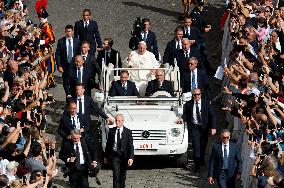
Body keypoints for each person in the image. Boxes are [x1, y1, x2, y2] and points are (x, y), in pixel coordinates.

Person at [177, 88, 216, 173]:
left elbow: (212, 115)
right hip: (195, 128)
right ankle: (197, 166)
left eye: (198, 94)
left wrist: (213, 127)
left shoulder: (206, 103)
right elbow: (186, 114)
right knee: (196, 147)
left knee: (203, 145)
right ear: (193, 96)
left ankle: (201, 159)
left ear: (201, 94)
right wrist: (182, 119)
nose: (197, 96)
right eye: (195, 95)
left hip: (204, 128)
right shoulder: (188, 104)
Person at [104, 114, 134, 188]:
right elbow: (108, 145)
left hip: (124, 156)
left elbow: (130, 146)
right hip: (115, 156)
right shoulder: (111, 131)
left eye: (119, 121)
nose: (117, 122)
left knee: (122, 176)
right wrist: (105, 156)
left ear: (123, 121)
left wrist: (131, 158)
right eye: (116, 120)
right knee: (116, 176)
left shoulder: (128, 132)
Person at [55, 25, 81, 98]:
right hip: (65, 65)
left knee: (74, 82)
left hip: (74, 65)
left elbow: (79, 54)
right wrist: (59, 66)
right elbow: (58, 54)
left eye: (69, 31)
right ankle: (68, 97)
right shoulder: (61, 41)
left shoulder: (77, 41)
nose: (68, 33)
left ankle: (74, 97)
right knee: (66, 82)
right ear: (65, 31)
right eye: (67, 31)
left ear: (72, 32)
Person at [36, 1, 56, 87]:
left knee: (47, 66)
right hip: (42, 49)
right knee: (43, 66)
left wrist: (41, 42)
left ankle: (48, 82)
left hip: (46, 49)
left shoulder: (47, 26)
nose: (40, 19)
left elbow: (52, 39)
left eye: (41, 17)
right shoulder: (42, 25)